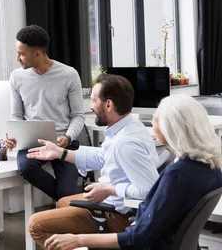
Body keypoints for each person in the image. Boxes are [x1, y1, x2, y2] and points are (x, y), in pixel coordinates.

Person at [42, 94, 222, 250]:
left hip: (149, 243)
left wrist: (77, 239)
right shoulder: (210, 166)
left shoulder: (177, 175)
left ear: (171, 129)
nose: (152, 123)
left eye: (156, 119)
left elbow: (137, 238)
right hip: (170, 240)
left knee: (43, 226)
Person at [26, 74, 160, 249]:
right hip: (113, 204)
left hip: (116, 214)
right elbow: (103, 158)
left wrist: (109, 189)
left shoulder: (125, 143)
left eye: (93, 100)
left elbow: (149, 190)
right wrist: (61, 153)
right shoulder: (127, 127)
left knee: (36, 225)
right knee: (62, 202)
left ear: (109, 105)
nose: (90, 106)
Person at [6, 25, 86, 200]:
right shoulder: (16, 77)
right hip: (33, 143)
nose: (17, 58)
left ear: (37, 54)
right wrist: (13, 136)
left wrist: (69, 137)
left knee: (66, 192)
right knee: (26, 168)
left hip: (64, 142)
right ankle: (65, 204)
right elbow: (16, 115)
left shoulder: (68, 74)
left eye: (21, 54)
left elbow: (78, 115)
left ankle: (64, 203)